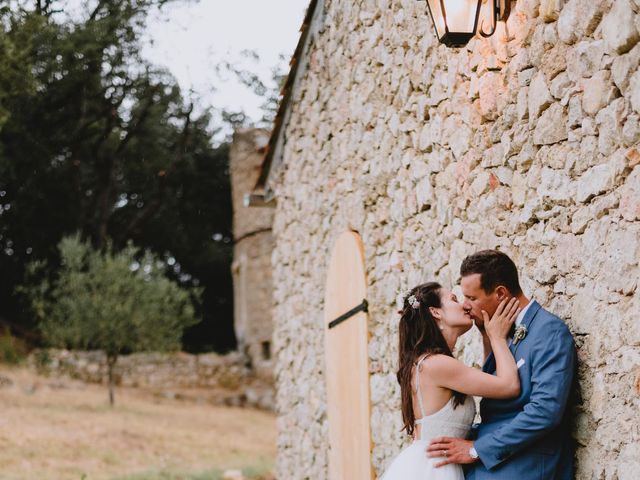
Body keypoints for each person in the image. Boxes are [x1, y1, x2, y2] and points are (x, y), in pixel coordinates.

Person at [426, 250, 577, 479]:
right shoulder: (497, 331)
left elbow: (545, 411)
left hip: (527, 464)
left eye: (472, 298)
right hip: (488, 464)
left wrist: (476, 450)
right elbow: (494, 407)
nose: (466, 306)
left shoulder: (549, 331)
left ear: (500, 293)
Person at [380, 281, 522, 480]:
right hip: (435, 468)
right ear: (436, 312)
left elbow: (489, 380)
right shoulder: (437, 364)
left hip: (431, 463)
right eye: (454, 299)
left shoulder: (426, 362)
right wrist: (497, 337)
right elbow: (509, 386)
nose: (464, 305)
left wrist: (485, 335)